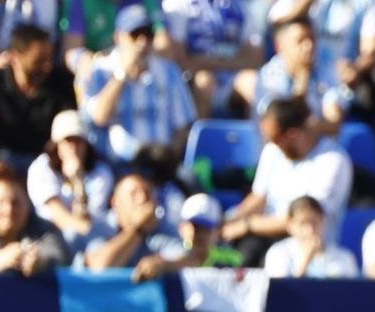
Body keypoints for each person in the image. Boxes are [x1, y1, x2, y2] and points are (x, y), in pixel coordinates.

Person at [220, 97, 354, 267]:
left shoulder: (334, 160)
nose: (270, 144)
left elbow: (306, 218)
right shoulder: (272, 151)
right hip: (265, 236)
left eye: (274, 138)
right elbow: (259, 198)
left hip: (310, 243)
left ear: (292, 134)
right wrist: (229, 220)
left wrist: (248, 225)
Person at [0, 23, 77, 204]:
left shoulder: (62, 82)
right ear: (15, 57)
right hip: (5, 156)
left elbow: (69, 127)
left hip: (46, 159)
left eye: (49, 59)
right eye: (39, 61)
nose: (47, 66)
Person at [161, 0, 266, 117]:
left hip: (231, 79)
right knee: (205, 81)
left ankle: (257, 144)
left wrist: (211, 62)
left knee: (253, 82)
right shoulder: (176, 5)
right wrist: (225, 62)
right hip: (193, 83)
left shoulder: (242, 6)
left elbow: (255, 57)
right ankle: (197, 143)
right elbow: (179, 60)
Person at [82, 5, 197, 164]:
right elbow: (100, 117)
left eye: (148, 34)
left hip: (160, 164)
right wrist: (122, 74)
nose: (142, 42)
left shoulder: (168, 71)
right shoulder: (101, 69)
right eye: (135, 35)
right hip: (115, 166)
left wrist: (169, 161)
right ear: (118, 38)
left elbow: (182, 126)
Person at [26, 110, 114, 247]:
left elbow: (87, 219)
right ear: (57, 145)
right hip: (47, 235)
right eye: (67, 141)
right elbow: (59, 217)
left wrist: (78, 181)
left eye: (78, 141)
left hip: (89, 237)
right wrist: (82, 227)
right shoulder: (40, 168)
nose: (73, 147)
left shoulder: (102, 173)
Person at [82, 172, 187, 271]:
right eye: (134, 193)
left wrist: (163, 266)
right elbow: (99, 267)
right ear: (115, 202)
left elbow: (187, 260)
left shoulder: (160, 227)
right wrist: (138, 230)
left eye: (147, 193)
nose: (142, 199)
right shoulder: (100, 226)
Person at [131, 192, 242, 281]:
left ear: (217, 231)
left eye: (206, 228)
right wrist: (162, 265)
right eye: (195, 226)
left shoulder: (232, 259)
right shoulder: (170, 251)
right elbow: (187, 258)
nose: (200, 234)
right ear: (182, 228)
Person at [263, 194, 359, 278]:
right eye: (302, 223)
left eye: (314, 222)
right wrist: (306, 259)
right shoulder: (278, 253)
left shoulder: (345, 258)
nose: (310, 230)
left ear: (323, 221)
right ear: (290, 226)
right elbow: (282, 293)